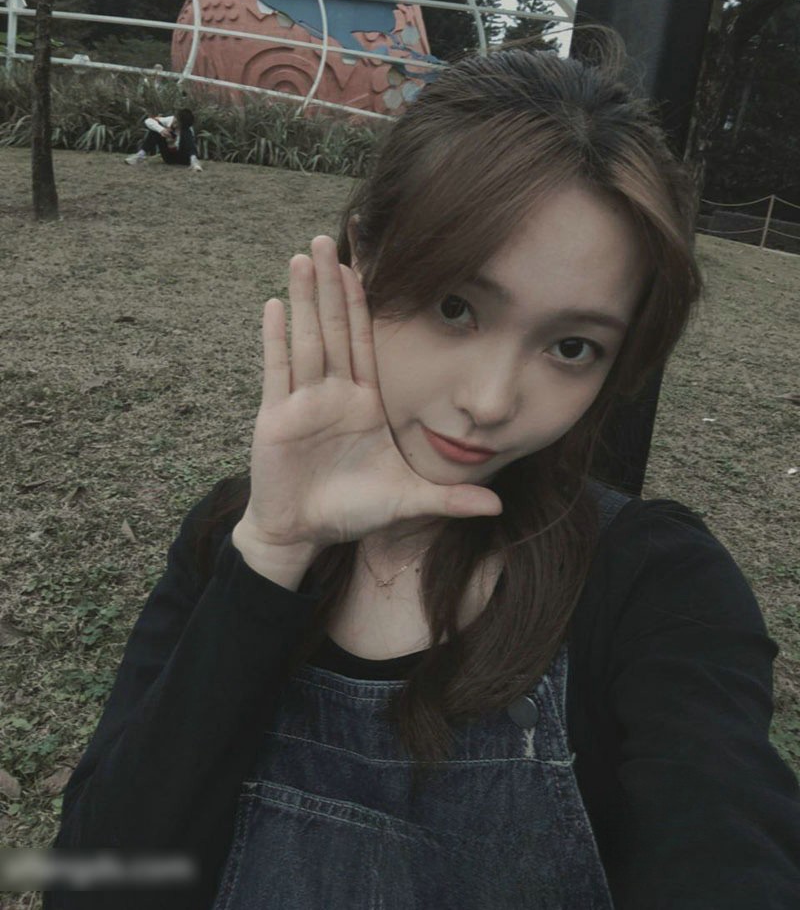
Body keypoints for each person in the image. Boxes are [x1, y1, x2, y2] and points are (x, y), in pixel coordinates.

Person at [46, 45, 800, 909]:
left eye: (571, 346)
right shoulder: (233, 534)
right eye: (456, 306)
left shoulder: (657, 585)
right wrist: (273, 552)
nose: (490, 401)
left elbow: (727, 838)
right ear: (364, 256)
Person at [124, 108, 203, 171]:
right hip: (168, 156)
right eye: (175, 121)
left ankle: (194, 161)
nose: (175, 125)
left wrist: (174, 141)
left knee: (187, 133)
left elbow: (189, 145)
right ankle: (140, 155)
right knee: (155, 130)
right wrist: (161, 130)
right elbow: (148, 121)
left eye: (178, 125)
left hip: (183, 157)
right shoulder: (169, 119)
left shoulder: (187, 130)